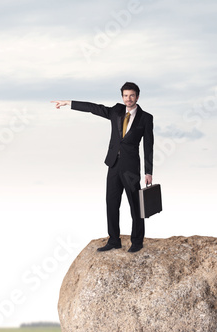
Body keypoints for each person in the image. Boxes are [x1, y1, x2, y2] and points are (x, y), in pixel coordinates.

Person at [51, 82, 154, 253]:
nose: (128, 99)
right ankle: (114, 240)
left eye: (132, 95)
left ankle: (137, 241)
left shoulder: (146, 118)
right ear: (122, 97)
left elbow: (148, 146)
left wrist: (148, 171)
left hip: (130, 169)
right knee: (111, 203)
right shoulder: (116, 111)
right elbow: (94, 108)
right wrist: (69, 103)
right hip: (113, 165)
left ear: (137, 96)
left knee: (135, 205)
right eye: (125, 95)